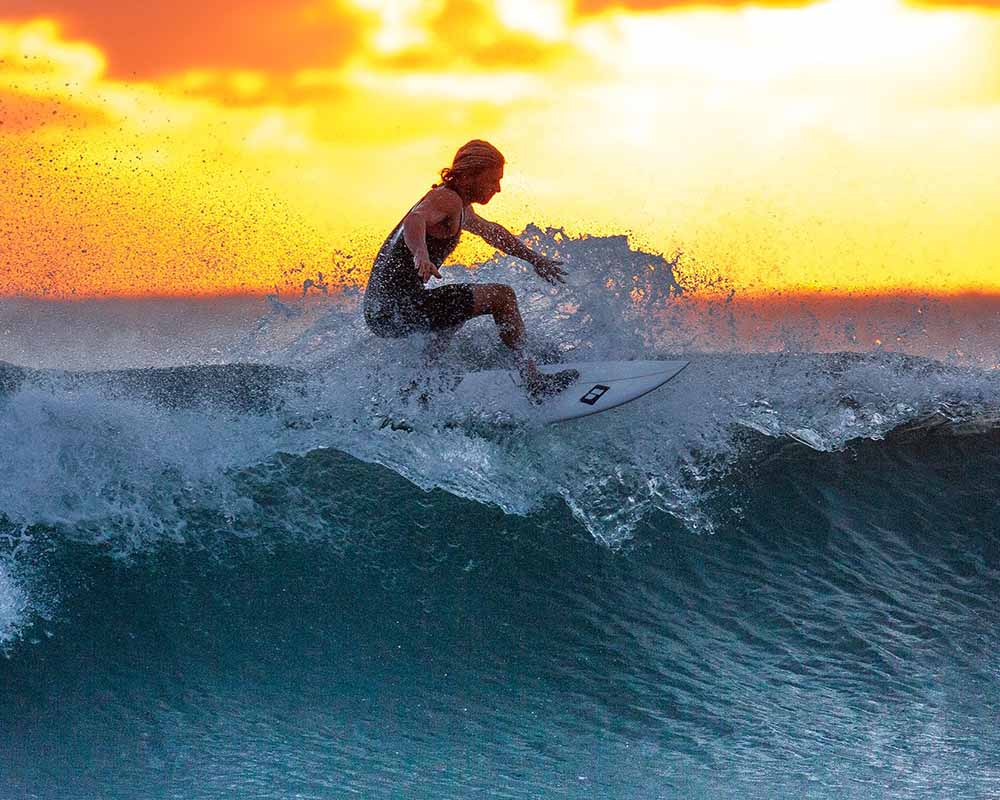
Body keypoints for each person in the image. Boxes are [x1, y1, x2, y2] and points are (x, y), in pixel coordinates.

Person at [363, 140, 578, 400]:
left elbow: (493, 233)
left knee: (459, 308)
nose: (497, 189)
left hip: (383, 312)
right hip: (396, 308)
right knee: (502, 297)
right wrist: (420, 253)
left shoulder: (459, 206)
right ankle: (534, 381)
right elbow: (415, 219)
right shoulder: (446, 199)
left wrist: (534, 259)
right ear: (468, 175)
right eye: (492, 181)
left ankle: (418, 389)